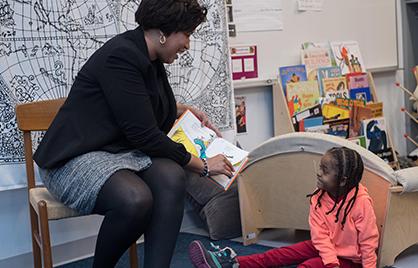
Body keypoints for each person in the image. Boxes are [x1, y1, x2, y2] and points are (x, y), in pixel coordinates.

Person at [33, 0, 234, 267]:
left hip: (118, 154)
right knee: (135, 199)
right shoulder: (122, 56)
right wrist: (204, 165)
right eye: (186, 34)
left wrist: (182, 110)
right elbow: (145, 135)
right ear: (164, 32)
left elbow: (137, 106)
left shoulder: (149, 57)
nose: (187, 44)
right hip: (74, 159)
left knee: (171, 175)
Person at [188, 147, 379, 268]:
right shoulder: (318, 197)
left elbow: (369, 243)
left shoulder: (361, 202)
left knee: (308, 266)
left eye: (325, 171)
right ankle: (230, 262)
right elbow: (320, 236)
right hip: (325, 247)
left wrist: (333, 264)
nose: (319, 173)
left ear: (343, 180)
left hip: (350, 261)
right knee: (279, 255)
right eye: (320, 167)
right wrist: (330, 261)